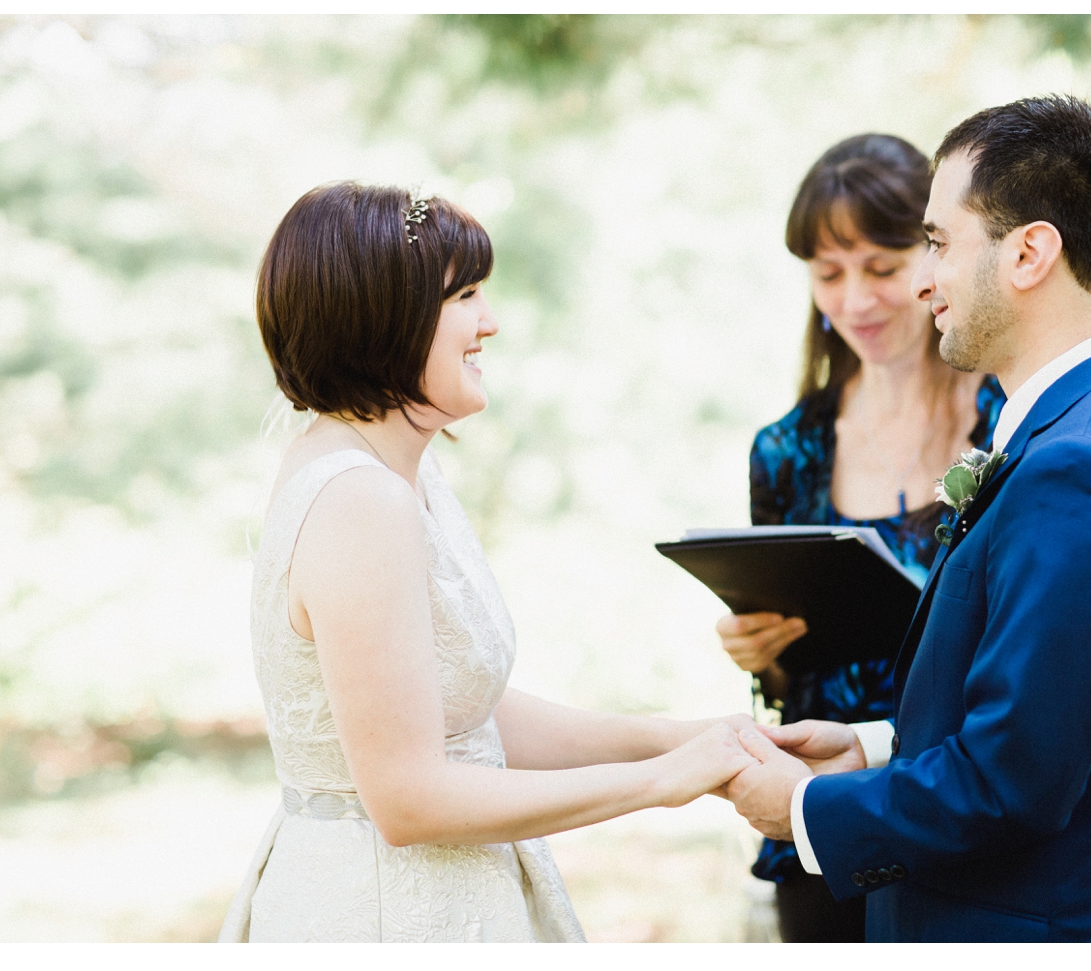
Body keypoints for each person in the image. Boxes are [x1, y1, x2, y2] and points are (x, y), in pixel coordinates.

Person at [724, 95, 1091, 942]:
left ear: (1030, 252)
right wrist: (874, 748)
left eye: (936, 245)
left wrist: (807, 806)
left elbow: (1011, 782)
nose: (922, 281)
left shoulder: (1079, 468)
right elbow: (1045, 722)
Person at [218, 183, 758, 943]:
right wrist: (660, 783)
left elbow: (458, 716)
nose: (490, 322)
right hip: (382, 917)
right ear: (386, 315)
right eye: (465, 295)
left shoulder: (394, 472)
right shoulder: (357, 499)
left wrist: (684, 736)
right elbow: (409, 799)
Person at [714, 134, 1004, 942]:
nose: (856, 301)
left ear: (936, 255)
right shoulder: (787, 448)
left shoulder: (1010, 422)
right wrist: (761, 646)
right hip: (827, 826)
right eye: (828, 274)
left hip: (963, 808)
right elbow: (789, 678)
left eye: (882, 268)